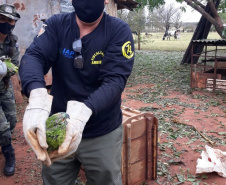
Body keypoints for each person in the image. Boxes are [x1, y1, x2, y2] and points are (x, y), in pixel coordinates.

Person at [19, 0, 134, 184]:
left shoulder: (118, 30)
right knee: (56, 180)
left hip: (101, 131)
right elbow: (34, 56)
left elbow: (115, 80)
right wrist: (37, 95)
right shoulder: (56, 24)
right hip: (58, 127)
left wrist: (83, 112)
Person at [0, 4, 20, 176]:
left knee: (12, 120)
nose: (7, 23)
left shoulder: (12, 41)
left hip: (4, 86)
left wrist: (5, 68)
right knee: (3, 126)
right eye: (3, 19)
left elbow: (15, 65)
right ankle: (9, 153)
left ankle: (3, 139)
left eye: (10, 20)